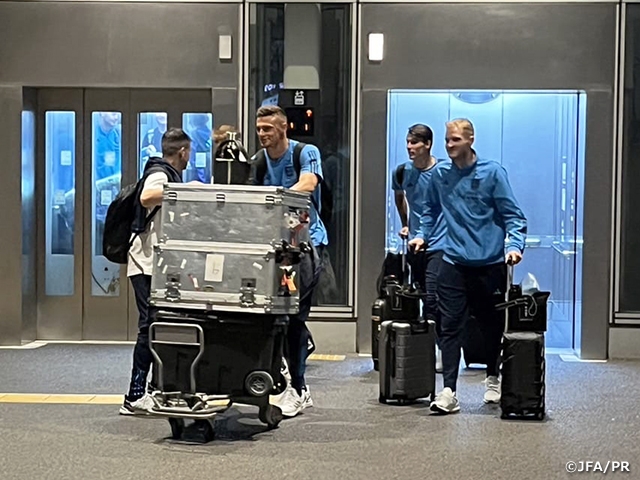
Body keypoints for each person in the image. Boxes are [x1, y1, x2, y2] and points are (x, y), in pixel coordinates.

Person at [409, 118, 527, 414]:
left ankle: (492, 376)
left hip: (488, 264)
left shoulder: (492, 173)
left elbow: (513, 215)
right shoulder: (441, 175)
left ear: (471, 140)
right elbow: (430, 210)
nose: (449, 146)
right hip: (453, 261)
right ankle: (448, 390)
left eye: (456, 140)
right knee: (450, 326)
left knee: (489, 326)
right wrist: (422, 235)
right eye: (447, 140)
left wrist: (513, 246)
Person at [250, 105, 324, 418]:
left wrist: (275, 199)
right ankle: (281, 375)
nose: (263, 135)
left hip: (304, 249)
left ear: (283, 128)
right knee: (270, 318)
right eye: (259, 129)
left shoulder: (305, 152)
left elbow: (308, 184)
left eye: (268, 129)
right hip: (271, 250)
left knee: (294, 317)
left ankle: (299, 388)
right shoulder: (257, 161)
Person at [120, 128, 192, 415]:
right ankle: (135, 395)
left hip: (157, 264)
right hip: (144, 262)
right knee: (148, 326)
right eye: (189, 153)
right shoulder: (160, 173)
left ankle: (155, 388)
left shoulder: (166, 175)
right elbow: (148, 196)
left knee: (157, 324)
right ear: (183, 152)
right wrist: (187, 190)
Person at [393, 124, 446, 371]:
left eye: (415, 143)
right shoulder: (402, 172)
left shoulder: (443, 170)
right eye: (408, 142)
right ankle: (427, 344)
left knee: (435, 296)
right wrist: (406, 225)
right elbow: (399, 197)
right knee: (423, 295)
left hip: (440, 242)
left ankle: (441, 348)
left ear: (427, 144)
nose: (409, 147)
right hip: (416, 242)